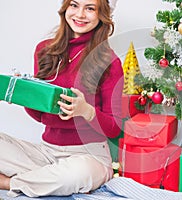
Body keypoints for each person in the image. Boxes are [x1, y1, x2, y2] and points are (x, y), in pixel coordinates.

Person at [0, 0, 123, 197]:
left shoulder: (109, 61)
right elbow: (41, 117)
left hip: (88, 156)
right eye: (74, 5)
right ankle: (45, 179)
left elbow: (115, 128)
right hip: (46, 152)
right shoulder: (44, 50)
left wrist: (86, 110)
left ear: (102, 15)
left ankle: (9, 182)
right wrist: (24, 95)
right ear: (66, 8)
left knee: (76, 175)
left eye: (90, 8)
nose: (80, 14)